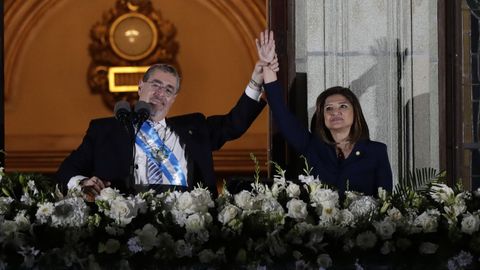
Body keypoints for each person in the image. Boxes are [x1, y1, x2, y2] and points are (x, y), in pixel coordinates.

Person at [56, 31, 278, 200]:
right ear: (140, 86)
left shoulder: (194, 127)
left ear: (173, 99)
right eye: (156, 84)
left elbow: (233, 125)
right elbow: (66, 171)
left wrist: (257, 77)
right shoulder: (104, 130)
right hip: (124, 228)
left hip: (186, 227)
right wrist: (84, 181)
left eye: (169, 90)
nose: (161, 93)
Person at [261, 32, 392, 196]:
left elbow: (386, 202)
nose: (335, 112)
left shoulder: (376, 151)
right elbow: (281, 113)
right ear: (322, 117)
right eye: (328, 108)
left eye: (343, 106)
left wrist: (376, 74)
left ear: (355, 113)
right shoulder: (312, 147)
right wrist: (267, 66)